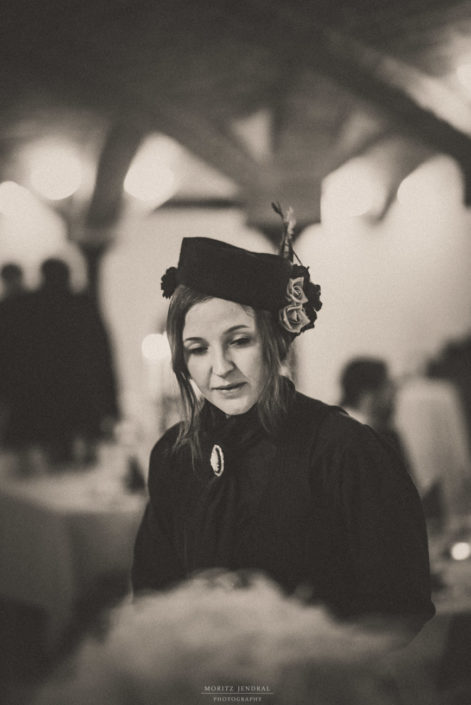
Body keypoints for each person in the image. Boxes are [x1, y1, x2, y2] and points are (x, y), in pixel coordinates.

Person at [132, 205, 434, 641]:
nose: (220, 368)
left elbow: (399, 605)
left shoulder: (343, 450)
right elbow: (152, 595)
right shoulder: (174, 454)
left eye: (239, 341)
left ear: (276, 341)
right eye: (197, 349)